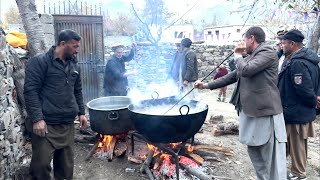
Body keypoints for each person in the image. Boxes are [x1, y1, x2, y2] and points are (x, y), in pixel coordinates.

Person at [194, 26, 287, 180]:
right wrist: (205, 85)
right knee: (254, 150)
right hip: (251, 111)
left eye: (244, 39)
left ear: (251, 39)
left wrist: (238, 55)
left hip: (265, 112)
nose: (242, 43)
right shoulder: (251, 56)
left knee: (269, 157)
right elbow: (233, 75)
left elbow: (246, 70)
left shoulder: (267, 52)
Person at [24, 29, 88, 179]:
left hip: (67, 124)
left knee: (66, 169)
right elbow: (30, 91)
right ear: (62, 43)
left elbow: (77, 90)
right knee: (41, 167)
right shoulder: (40, 62)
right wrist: (37, 119)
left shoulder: (75, 66)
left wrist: (81, 112)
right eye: (74, 46)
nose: (77, 51)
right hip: (46, 125)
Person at [277, 29, 320, 180]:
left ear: (292, 44)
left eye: (284, 44)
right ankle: (289, 170)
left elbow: (303, 88)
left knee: (297, 146)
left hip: (296, 111)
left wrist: (313, 101)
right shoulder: (311, 59)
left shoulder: (297, 62)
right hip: (301, 110)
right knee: (294, 144)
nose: (282, 46)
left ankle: (299, 174)